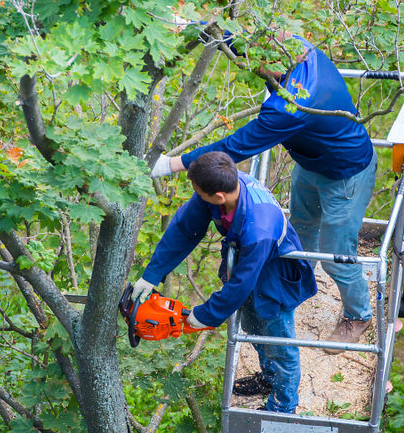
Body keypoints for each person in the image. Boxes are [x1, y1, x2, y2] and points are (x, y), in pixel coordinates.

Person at [150, 33, 377, 353]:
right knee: (302, 227)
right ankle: (295, 285)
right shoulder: (294, 48)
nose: (249, 66)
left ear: (270, 62)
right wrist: (195, 26)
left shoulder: (292, 104)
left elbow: (235, 147)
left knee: (336, 255)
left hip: (346, 172)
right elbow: (241, 36)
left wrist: (171, 163)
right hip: (311, 162)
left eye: (254, 63)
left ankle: (359, 314)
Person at [132, 151, 316, 413]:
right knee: (253, 327)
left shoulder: (259, 226)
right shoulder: (221, 188)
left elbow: (240, 284)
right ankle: (268, 378)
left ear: (219, 197)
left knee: (279, 340)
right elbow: (185, 229)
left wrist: (206, 315)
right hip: (246, 259)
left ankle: (282, 406)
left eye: (199, 192)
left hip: (274, 271)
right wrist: (153, 273)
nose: (196, 195)